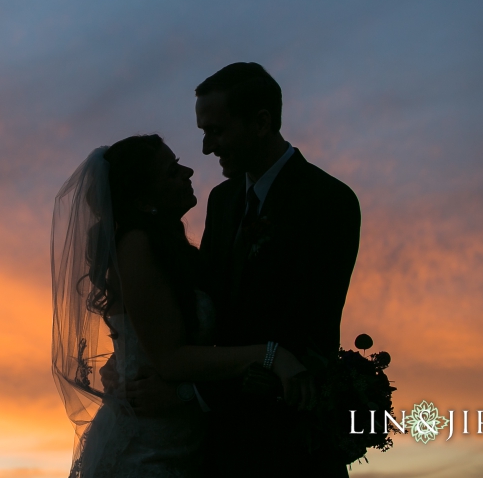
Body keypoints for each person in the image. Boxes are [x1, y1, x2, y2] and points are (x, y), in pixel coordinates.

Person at [125, 63, 362, 478]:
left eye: (215, 131)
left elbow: (305, 334)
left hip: (287, 449)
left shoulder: (329, 201)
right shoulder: (222, 200)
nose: (205, 148)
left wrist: (188, 393)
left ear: (261, 122)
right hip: (220, 449)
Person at [51, 135, 311, 478]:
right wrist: (269, 354)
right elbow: (170, 357)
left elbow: (152, 331)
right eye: (172, 171)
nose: (188, 171)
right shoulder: (137, 246)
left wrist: (122, 361)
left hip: (181, 440)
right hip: (147, 450)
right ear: (144, 200)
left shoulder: (169, 248)